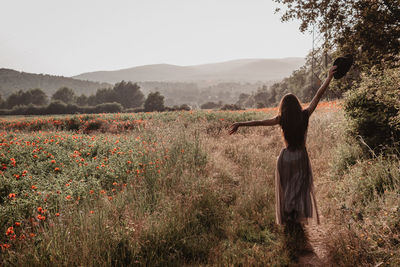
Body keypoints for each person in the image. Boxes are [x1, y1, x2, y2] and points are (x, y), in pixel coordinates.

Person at [229, 65, 337, 227]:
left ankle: (290, 218)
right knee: (300, 188)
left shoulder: (281, 119)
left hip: (285, 157)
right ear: (297, 105)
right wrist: (328, 77)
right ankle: (297, 218)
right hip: (301, 156)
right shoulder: (305, 115)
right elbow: (318, 95)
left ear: (284, 107)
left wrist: (240, 123)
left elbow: (259, 122)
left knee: (287, 189)